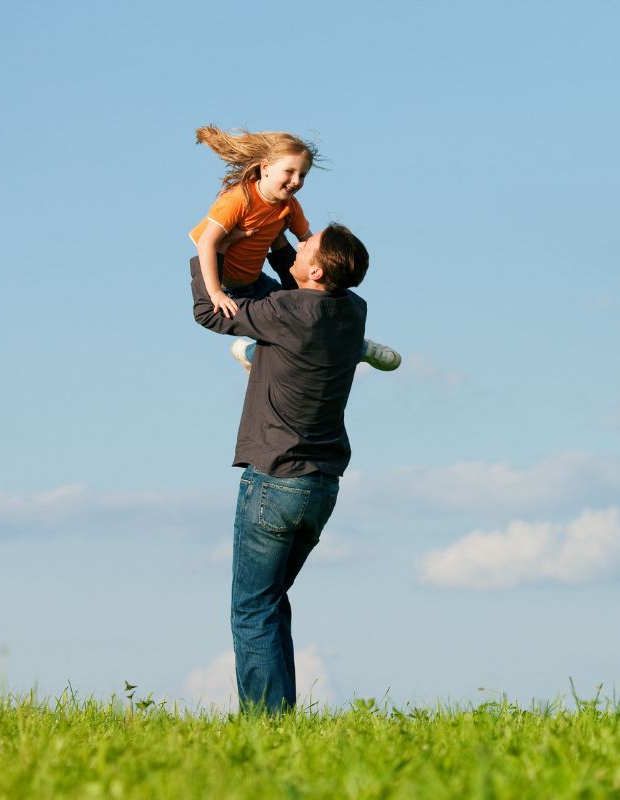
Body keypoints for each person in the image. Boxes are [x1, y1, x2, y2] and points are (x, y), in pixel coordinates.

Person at [190, 223, 369, 714]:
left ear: (317, 271)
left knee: (252, 611)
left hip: (275, 481)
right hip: (321, 488)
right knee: (269, 603)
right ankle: (282, 723)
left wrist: (209, 248)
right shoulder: (352, 309)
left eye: (307, 243)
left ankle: (267, 726)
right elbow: (300, 285)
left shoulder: (287, 313)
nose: (301, 242)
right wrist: (273, 234)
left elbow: (208, 311)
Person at [191, 125, 400, 371]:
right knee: (292, 323)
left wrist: (330, 276)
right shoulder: (239, 200)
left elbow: (315, 249)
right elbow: (206, 242)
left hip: (256, 281)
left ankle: (356, 344)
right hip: (229, 288)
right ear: (265, 168)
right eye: (289, 172)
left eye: (302, 175)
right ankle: (252, 353)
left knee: (310, 308)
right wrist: (216, 292)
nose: (296, 181)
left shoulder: (289, 206)